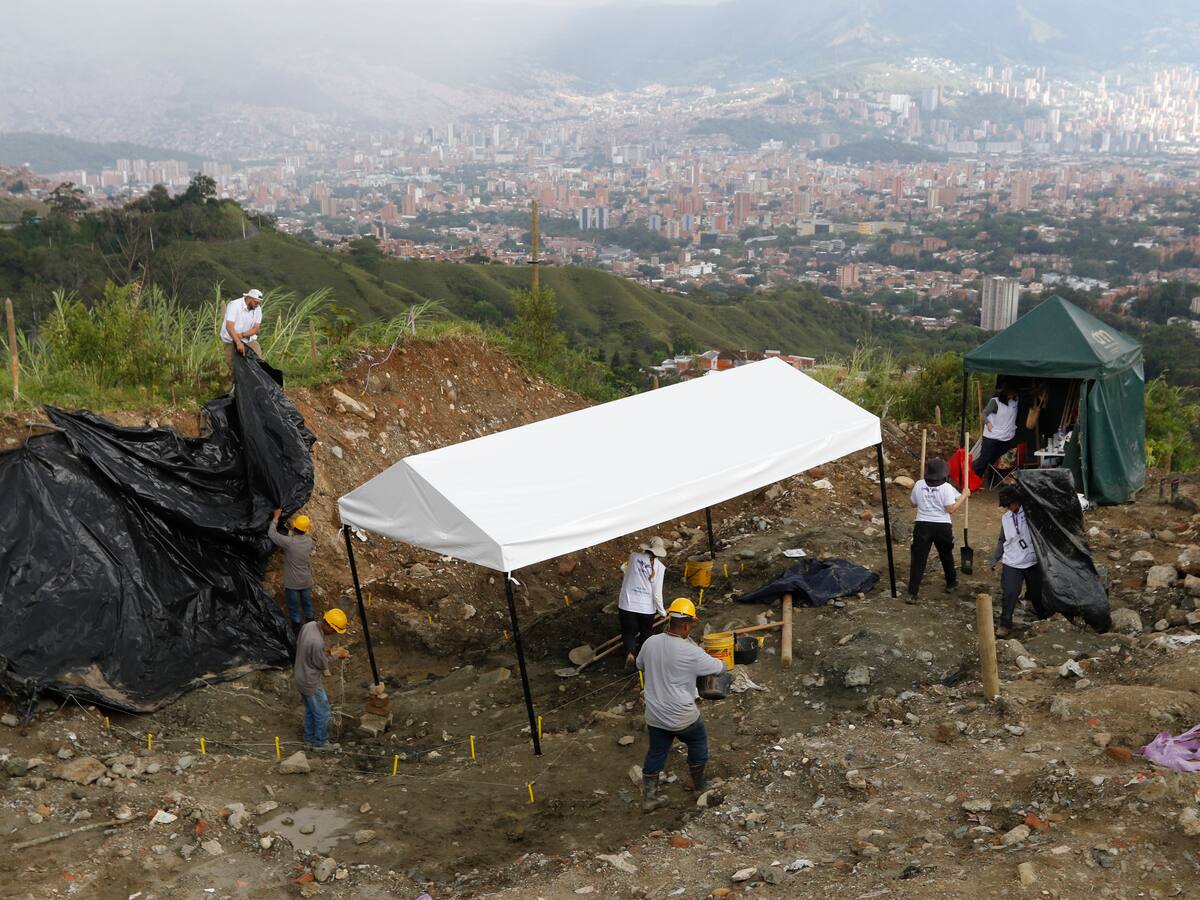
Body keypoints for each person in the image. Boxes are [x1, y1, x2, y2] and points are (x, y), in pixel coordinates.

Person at [637, 597, 725, 812]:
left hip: (655, 715)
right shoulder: (691, 652)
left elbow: (640, 664)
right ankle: (699, 786)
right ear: (687, 625)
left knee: (656, 752)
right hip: (682, 716)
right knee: (698, 742)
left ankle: (649, 798)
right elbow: (719, 667)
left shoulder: (650, 642)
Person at [907, 457, 969, 604]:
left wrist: (924, 494)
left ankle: (912, 593)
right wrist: (965, 496)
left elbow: (912, 504)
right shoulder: (947, 488)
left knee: (919, 559)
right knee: (945, 555)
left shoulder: (919, 484)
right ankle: (951, 583)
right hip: (942, 526)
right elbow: (951, 509)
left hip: (922, 524)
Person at [990, 485, 1045, 638]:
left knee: (1036, 593)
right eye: (1005, 506)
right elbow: (1002, 539)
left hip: (1032, 560)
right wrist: (995, 557)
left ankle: (1044, 618)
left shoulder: (1031, 513)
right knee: (1010, 593)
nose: (1007, 508)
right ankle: (1005, 624)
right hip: (1012, 561)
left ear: (1017, 501)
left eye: (1009, 504)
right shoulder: (1006, 518)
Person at [294, 608, 351, 752]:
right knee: (323, 711)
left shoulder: (309, 626)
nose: (334, 633)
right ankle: (320, 743)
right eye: (335, 630)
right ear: (328, 625)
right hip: (310, 681)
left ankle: (308, 740)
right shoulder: (317, 641)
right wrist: (338, 655)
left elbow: (311, 652)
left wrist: (329, 651)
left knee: (311, 710)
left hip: (300, 675)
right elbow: (321, 663)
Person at [618, 537, 668, 672]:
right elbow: (657, 593)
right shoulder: (660, 567)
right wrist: (662, 612)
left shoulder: (633, 557)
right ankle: (643, 661)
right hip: (646, 609)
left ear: (646, 548)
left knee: (628, 632)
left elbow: (623, 568)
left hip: (627, 605)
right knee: (646, 633)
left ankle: (630, 654)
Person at [269, 508, 315, 633]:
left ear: (294, 528)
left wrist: (276, 517)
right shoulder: (310, 542)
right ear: (306, 530)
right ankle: (311, 627)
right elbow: (300, 538)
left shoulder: (289, 543)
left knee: (294, 608)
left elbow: (272, 534)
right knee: (307, 605)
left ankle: (297, 630)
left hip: (292, 583)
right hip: (306, 581)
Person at [973, 386, 1021, 478]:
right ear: (1005, 393)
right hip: (991, 436)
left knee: (997, 460)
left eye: (1013, 393)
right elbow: (984, 413)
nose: (1012, 395)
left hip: (1006, 436)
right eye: (1010, 393)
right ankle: (975, 478)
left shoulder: (1014, 402)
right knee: (984, 459)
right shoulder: (995, 401)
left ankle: (992, 478)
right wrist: (988, 423)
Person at [220, 288, 265, 372]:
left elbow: (256, 328)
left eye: (259, 303)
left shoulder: (257, 309)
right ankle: (236, 384)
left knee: (256, 364)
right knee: (234, 367)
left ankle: (254, 384)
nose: (257, 305)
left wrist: (242, 335)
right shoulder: (234, 305)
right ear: (249, 298)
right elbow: (229, 326)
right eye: (256, 302)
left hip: (249, 340)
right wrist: (238, 342)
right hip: (231, 340)